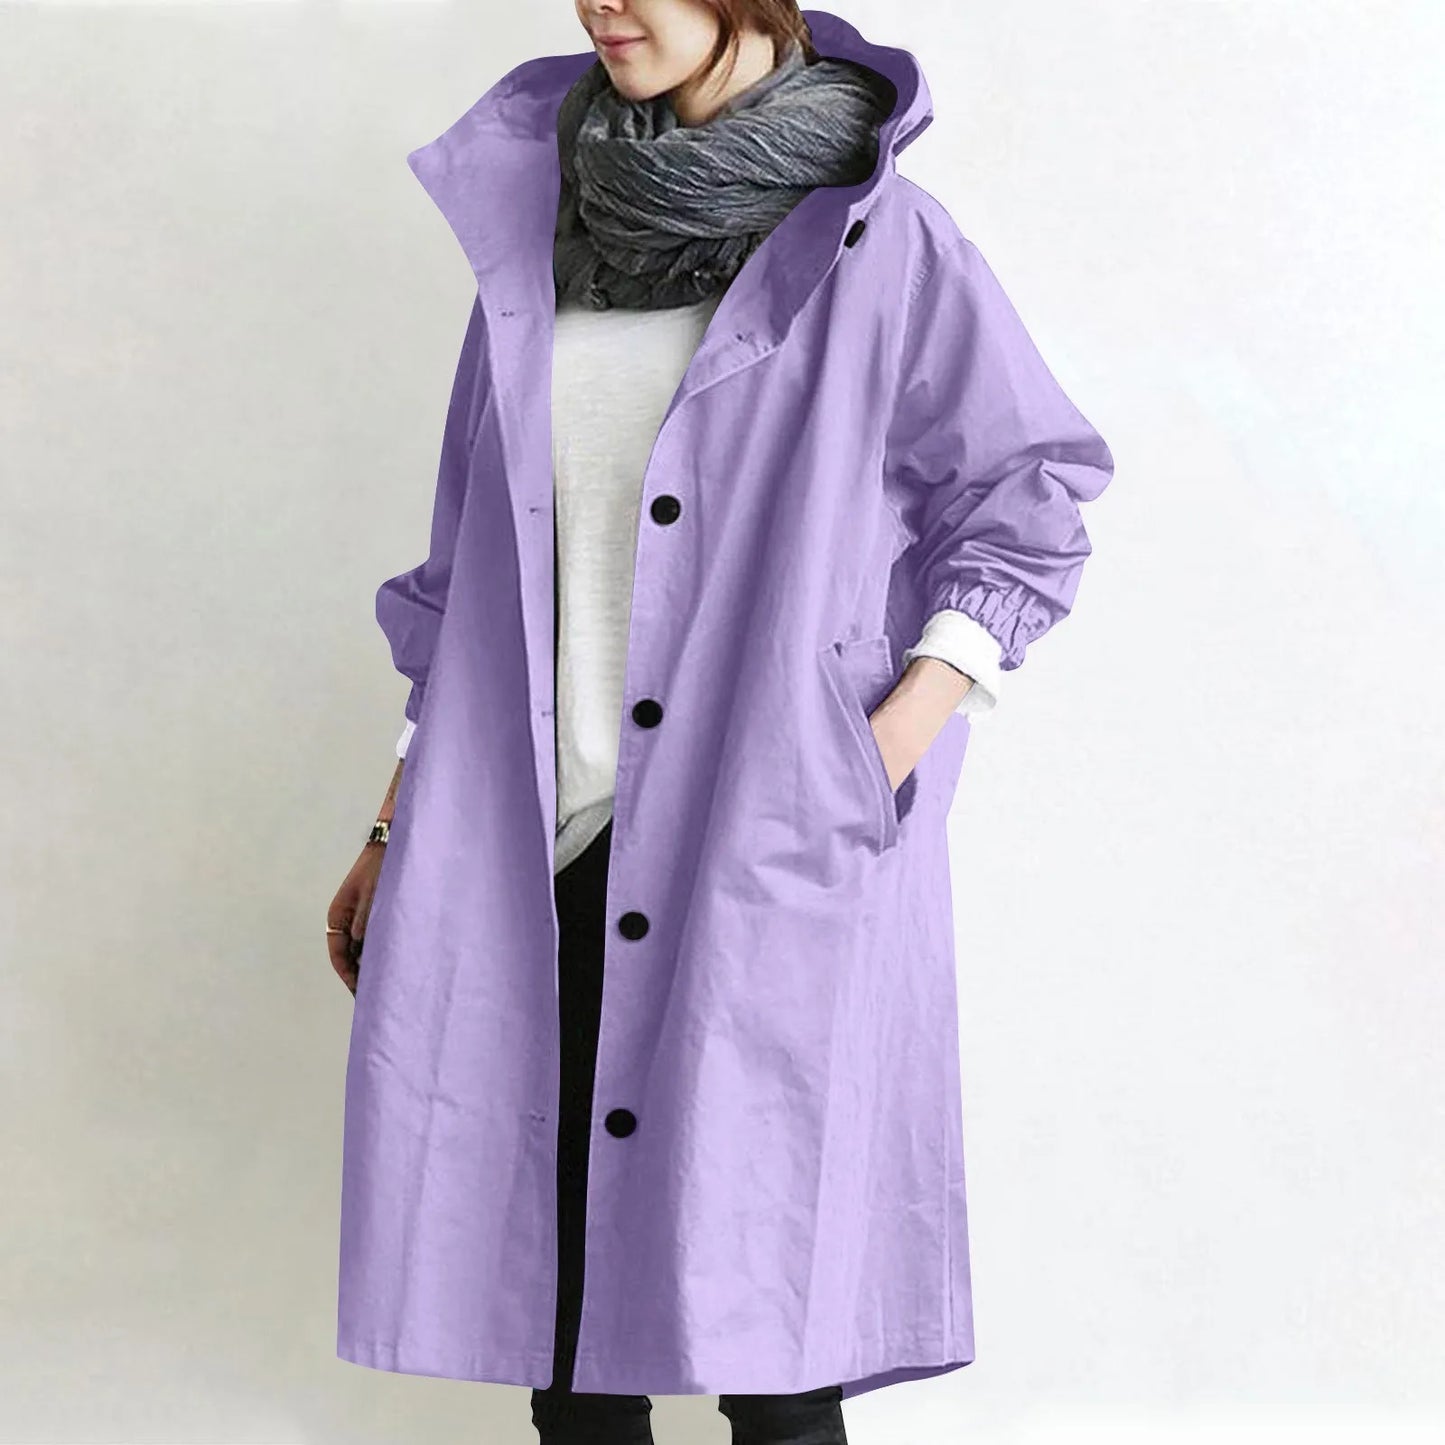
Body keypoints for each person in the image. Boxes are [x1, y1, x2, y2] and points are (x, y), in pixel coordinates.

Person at [327, 5, 1114, 1443]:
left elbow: (1024, 494)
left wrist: (877, 745)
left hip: (759, 847)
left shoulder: (879, 241)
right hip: (538, 848)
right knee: (568, 1355)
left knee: (775, 1356)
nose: (603, 3)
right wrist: (393, 817)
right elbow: (463, 564)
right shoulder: (538, 243)